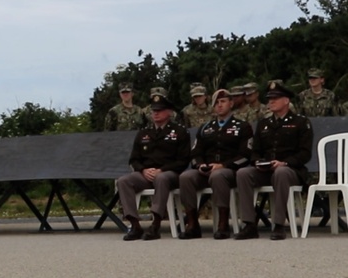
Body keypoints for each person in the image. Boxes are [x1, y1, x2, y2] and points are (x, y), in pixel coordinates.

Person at [234, 81, 314, 241]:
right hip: (266, 169)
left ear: (286, 101)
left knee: (281, 172)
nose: (271, 101)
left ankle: (278, 224)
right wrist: (258, 162)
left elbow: (305, 154)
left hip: (291, 170)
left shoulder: (300, 122)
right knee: (243, 173)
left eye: (275, 98)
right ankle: (249, 224)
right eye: (269, 98)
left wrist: (285, 162)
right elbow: (255, 151)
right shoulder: (264, 124)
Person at [178, 89, 253, 239]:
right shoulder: (206, 128)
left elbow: (246, 155)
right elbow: (195, 152)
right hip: (206, 171)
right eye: (216, 103)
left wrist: (224, 165)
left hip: (230, 171)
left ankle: (223, 224)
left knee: (218, 175)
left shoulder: (242, 126)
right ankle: (192, 224)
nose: (219, 105)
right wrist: (199, 165)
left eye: (223, 102)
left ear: (231, 104)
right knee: (186, 177)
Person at [117, 94, 191, 241]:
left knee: (161, 178)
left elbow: (183, 161)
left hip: (169, 174)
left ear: (169, 112)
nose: (155, 113)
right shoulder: (144, 133)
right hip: (146, 174)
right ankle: (135, 224)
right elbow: (134, 159)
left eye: (160, 110)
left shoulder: (180, 132)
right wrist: (143, 170)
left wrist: (161, 170)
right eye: (153, 110)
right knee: (123, 181)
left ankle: (156, 224)